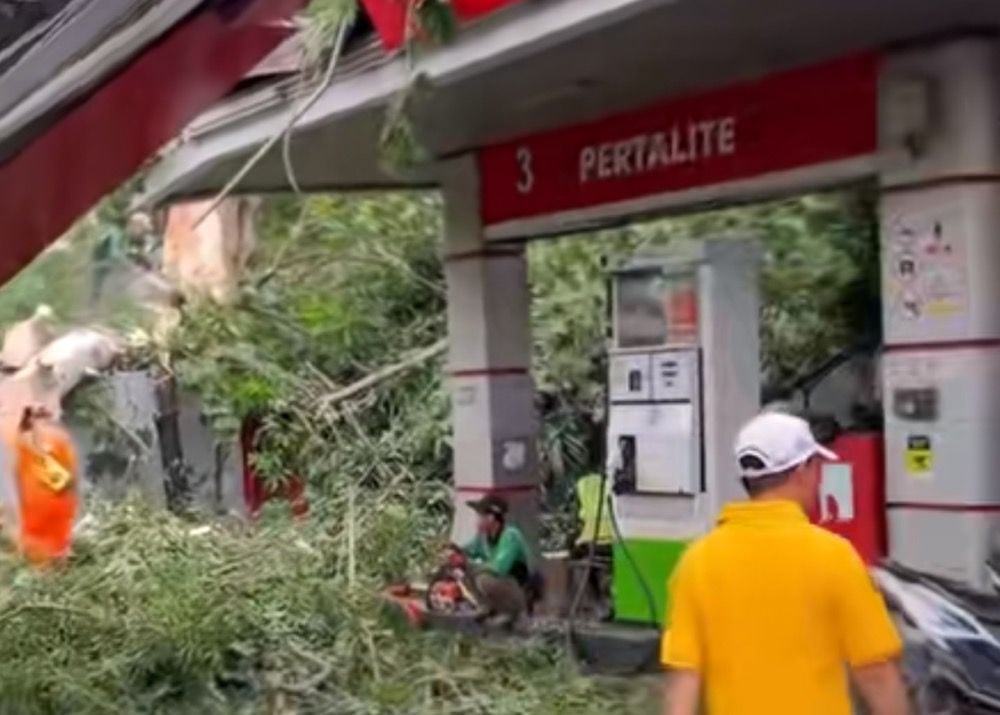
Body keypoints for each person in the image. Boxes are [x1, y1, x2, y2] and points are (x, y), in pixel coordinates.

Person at [662, 411, 908, 715]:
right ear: (804, 470)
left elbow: (684, 676)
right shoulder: (833, 556)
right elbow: (876, 671)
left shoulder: (697, 562)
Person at [457, 493, 538, 625]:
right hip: (504, 584)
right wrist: (455, 551)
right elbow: (469, 549)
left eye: (480, 516)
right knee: (463, 571)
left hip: (518, 588)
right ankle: (488, 607)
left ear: (491, 518)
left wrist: (470, 564)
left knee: (483, 578)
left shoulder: (510, 536)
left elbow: (500, 568)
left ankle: (511, 612)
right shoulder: (483, 537)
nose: (477, 520)